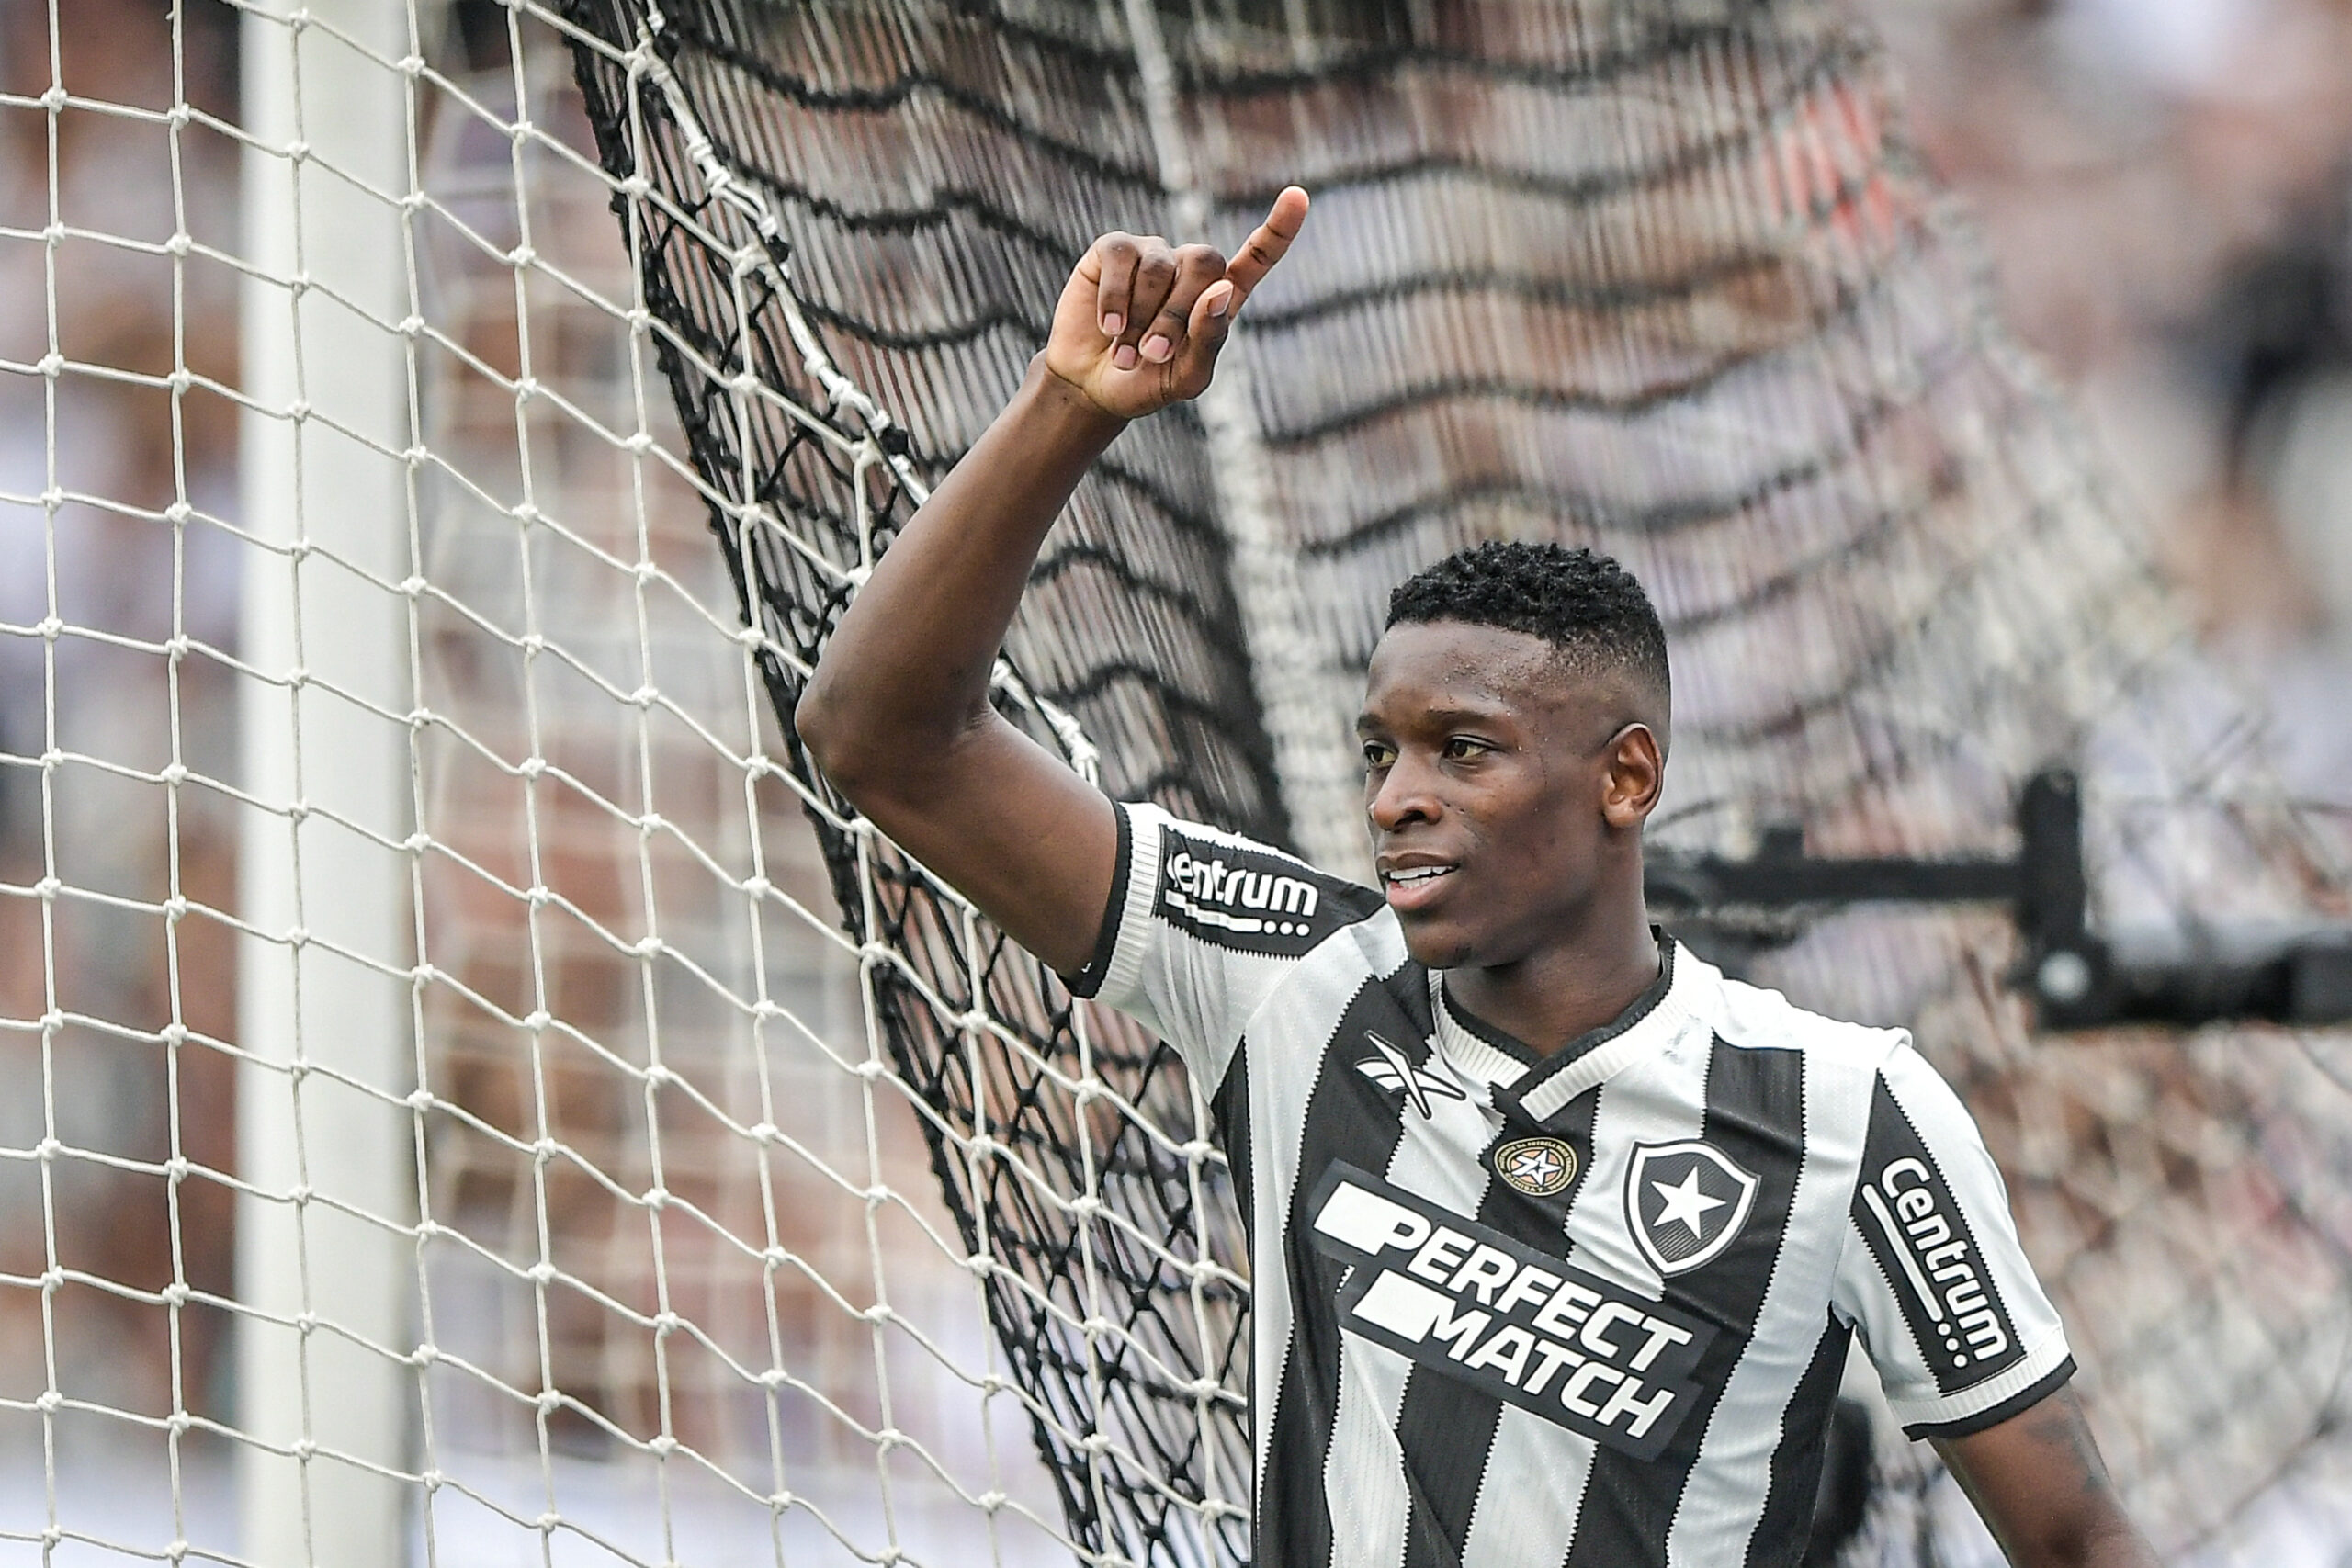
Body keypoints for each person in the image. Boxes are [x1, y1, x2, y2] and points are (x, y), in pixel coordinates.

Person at [796, 187, 2157, 1568]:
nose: (1397, 797)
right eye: (1381, 750)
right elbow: (884, 739)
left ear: (1625, 779)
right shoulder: (1297, 977)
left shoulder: (1843, 1110)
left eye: (1465, 750)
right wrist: (1069, 406)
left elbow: (2077, 1540)